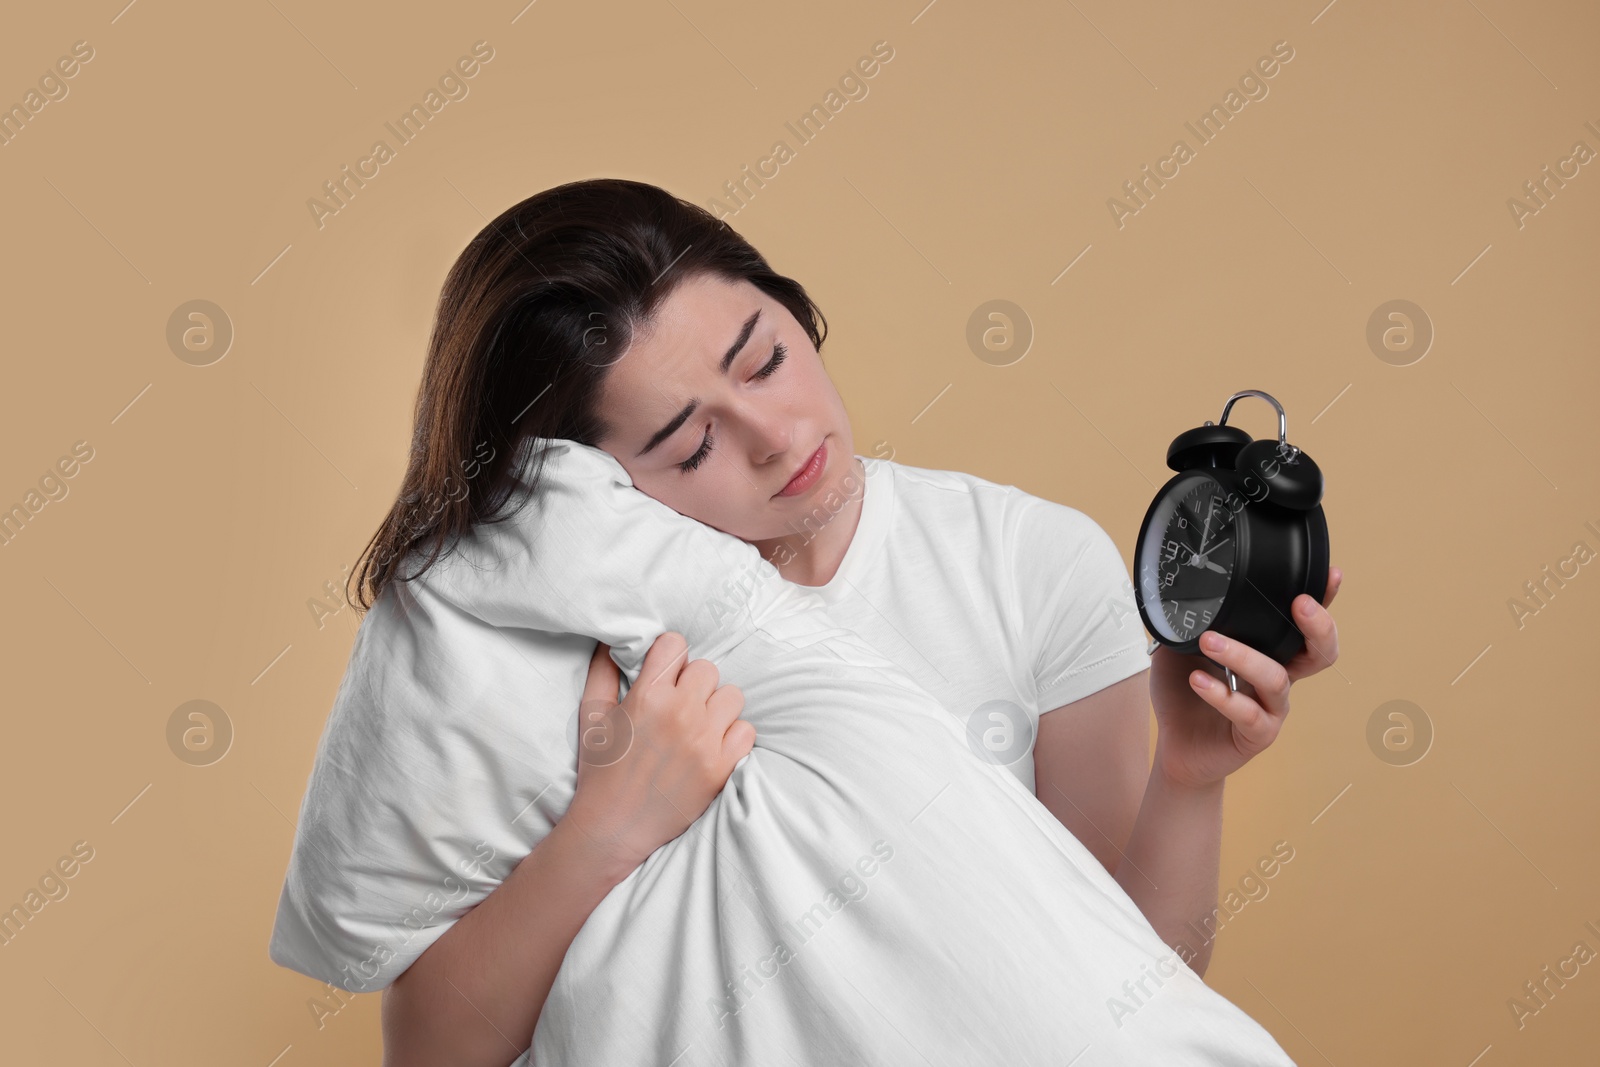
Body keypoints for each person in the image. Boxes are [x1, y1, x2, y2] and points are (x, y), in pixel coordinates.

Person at [352, 178, 1342, 1065]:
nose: (777, 436)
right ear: (593, 487)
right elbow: (434, 1052)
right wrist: (611, 824)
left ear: (792, 304)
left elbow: (1118, 989)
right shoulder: (555, 640)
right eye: (691, 447)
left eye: (766, 358)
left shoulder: (1026, 560)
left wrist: (1187, 774)